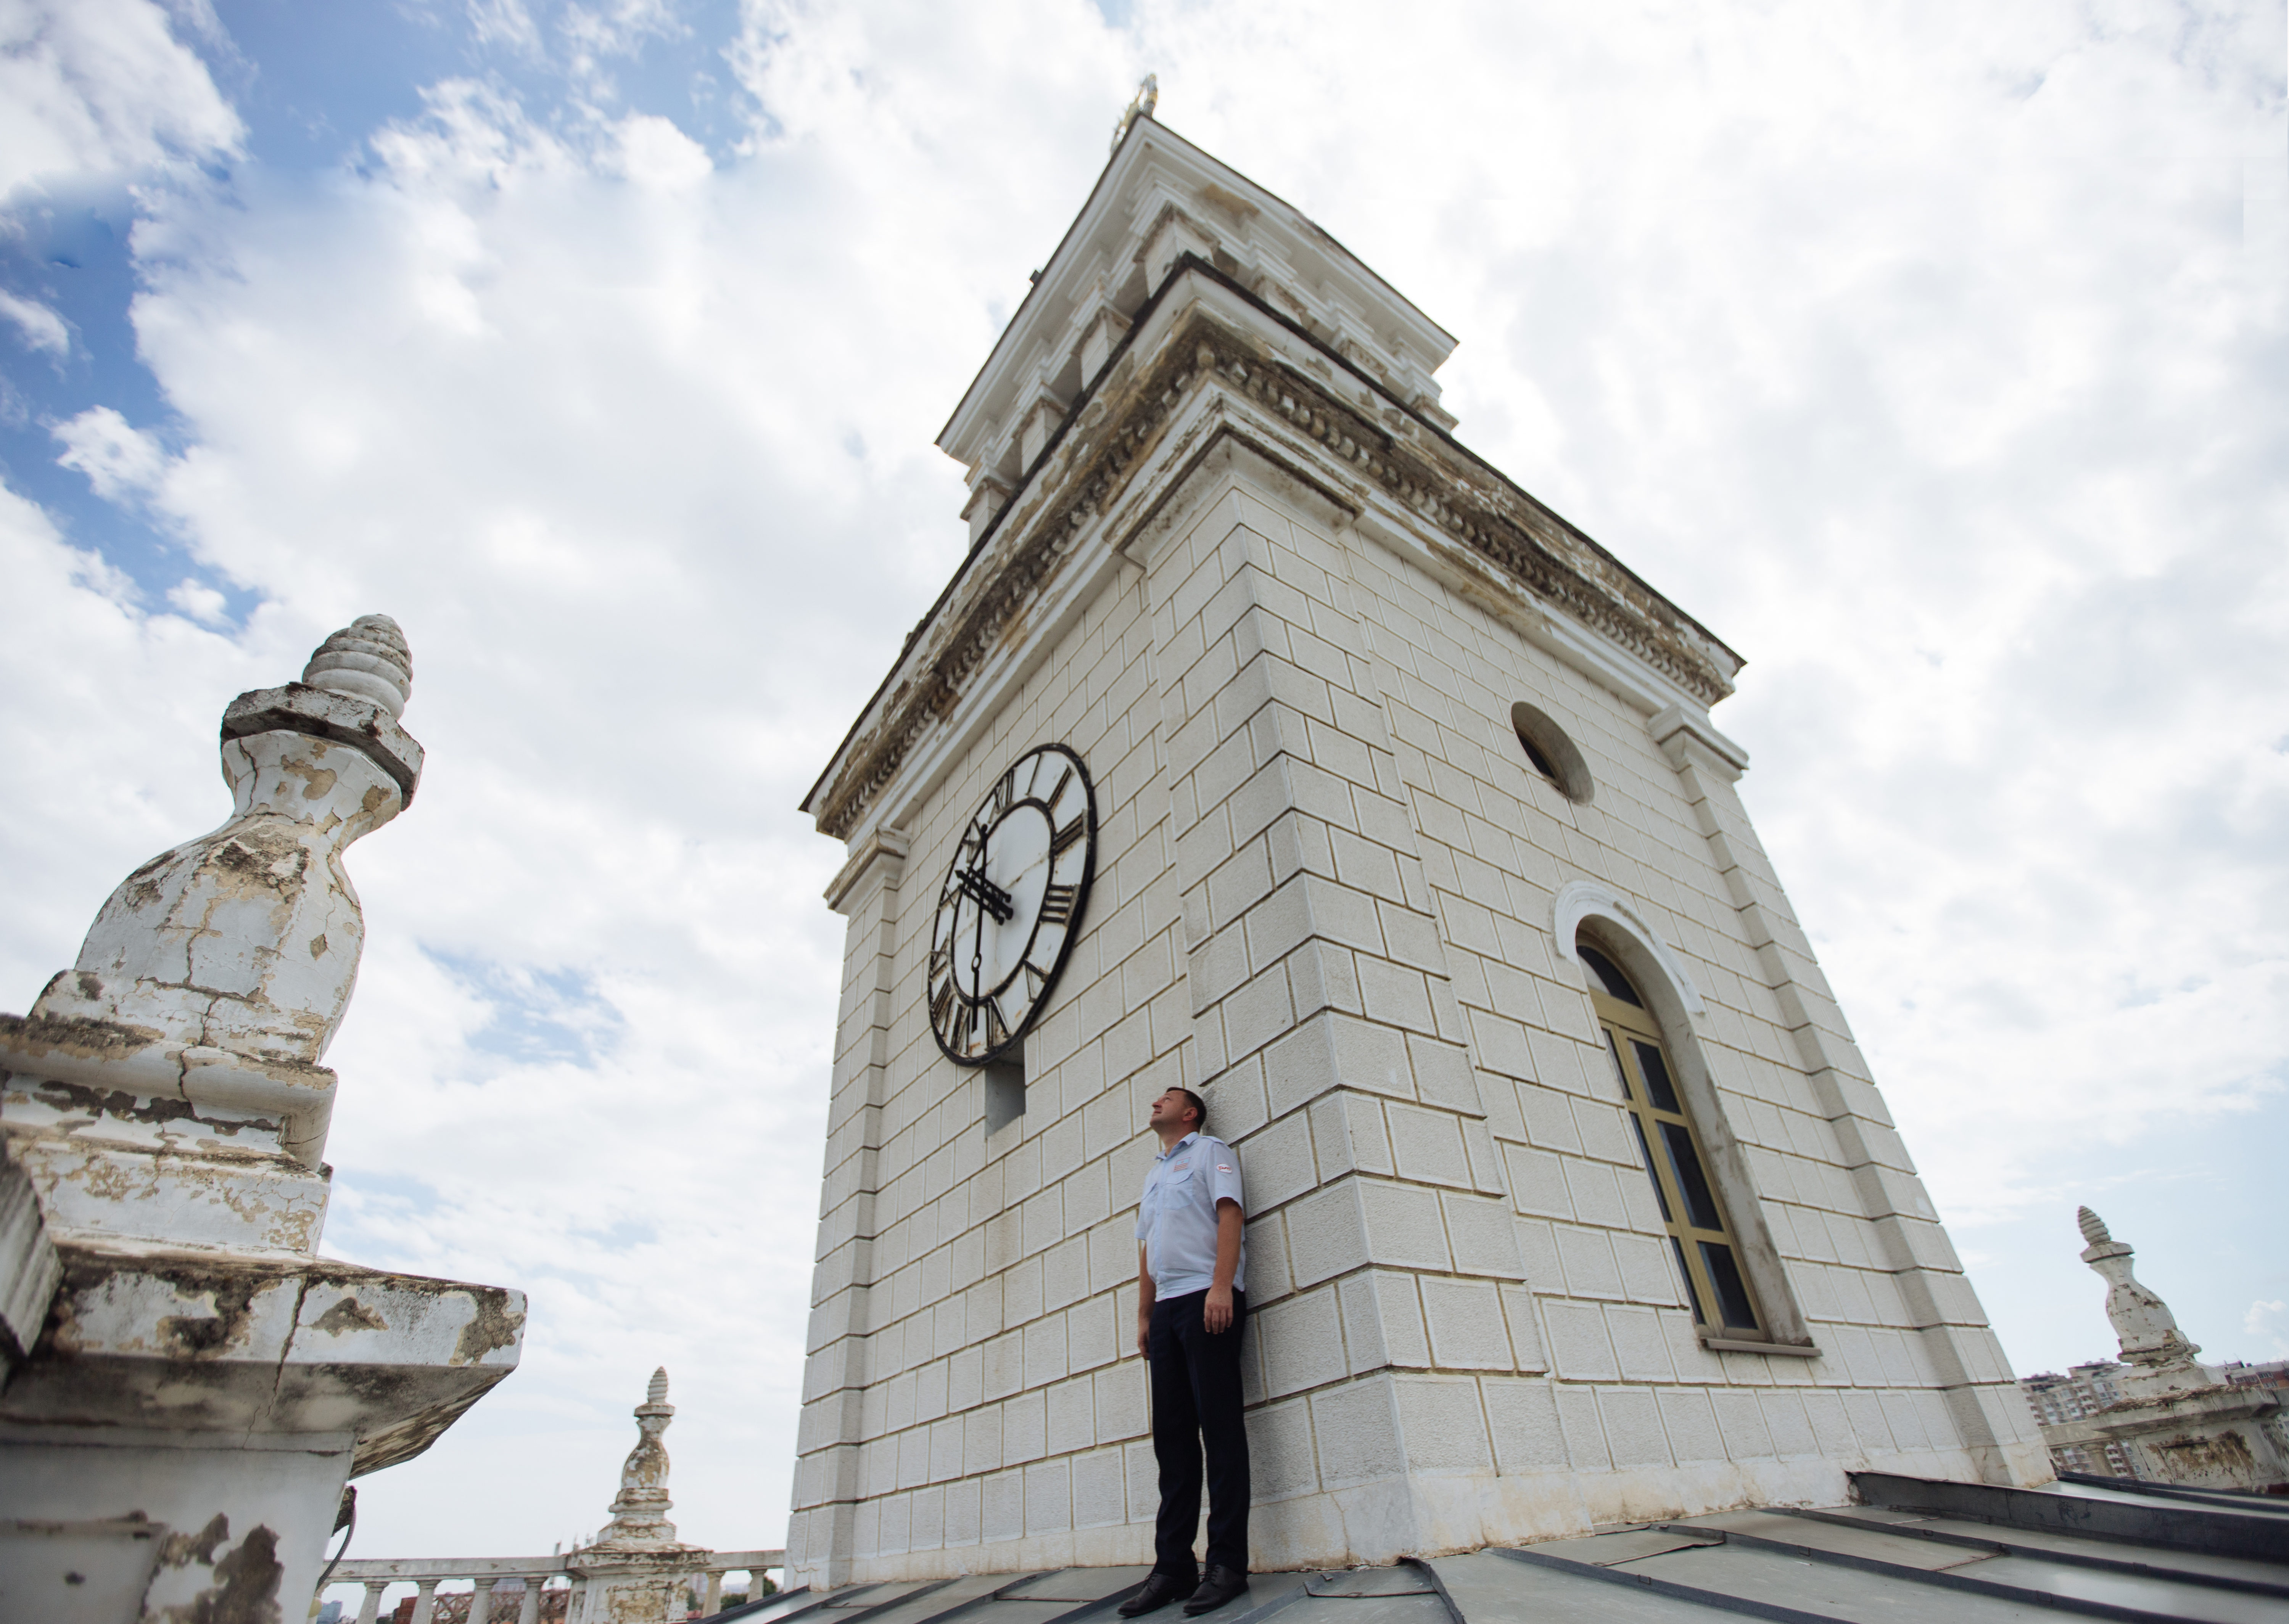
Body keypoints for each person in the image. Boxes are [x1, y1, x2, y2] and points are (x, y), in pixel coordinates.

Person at [1118, 1085, 1249, 1618]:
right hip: (1169, 1309)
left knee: (1219, 1429)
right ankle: (1173, 1567)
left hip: (1206, 1296)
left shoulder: (1210, 1152)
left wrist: (1223, 1286)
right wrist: (1145, 1314)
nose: (1156, 1102)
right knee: (1171, 1440)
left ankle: (1228, 1565)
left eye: (1166, 1098)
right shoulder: (1153, 1173)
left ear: (1189, 1112)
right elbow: (1148, 1247)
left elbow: (1230, 1215)